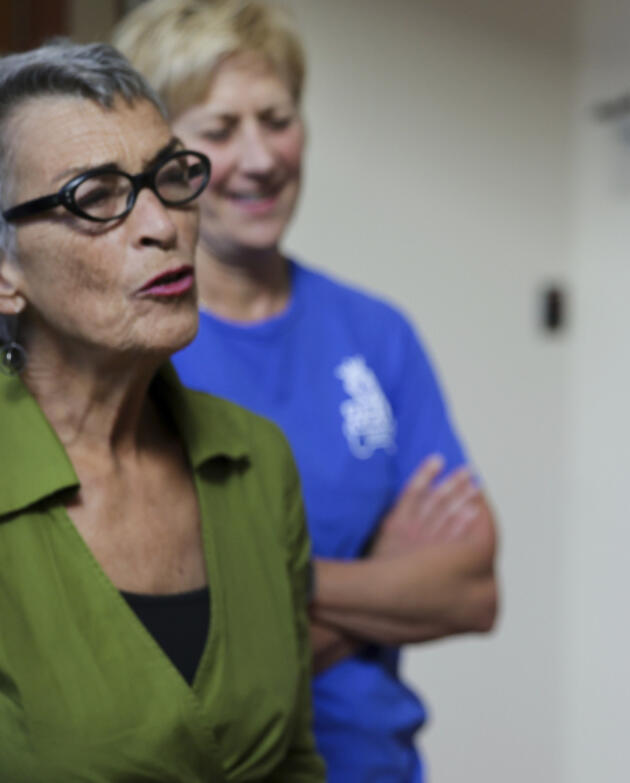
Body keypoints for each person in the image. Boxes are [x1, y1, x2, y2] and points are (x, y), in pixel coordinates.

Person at [113, 2, 499, 780]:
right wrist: (384, 575)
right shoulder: (134, 347)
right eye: (219, 131)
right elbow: (163, 659)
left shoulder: (375, 332)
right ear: (159, 157)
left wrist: (272, 589)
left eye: (277, 118)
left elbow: (470, 587)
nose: (259, 158)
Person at [0, 40, 323, 780]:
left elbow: (296, 757)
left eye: (168, 176)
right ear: (6, 273)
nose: (162, 223)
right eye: (97, 195)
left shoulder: (255, 459)